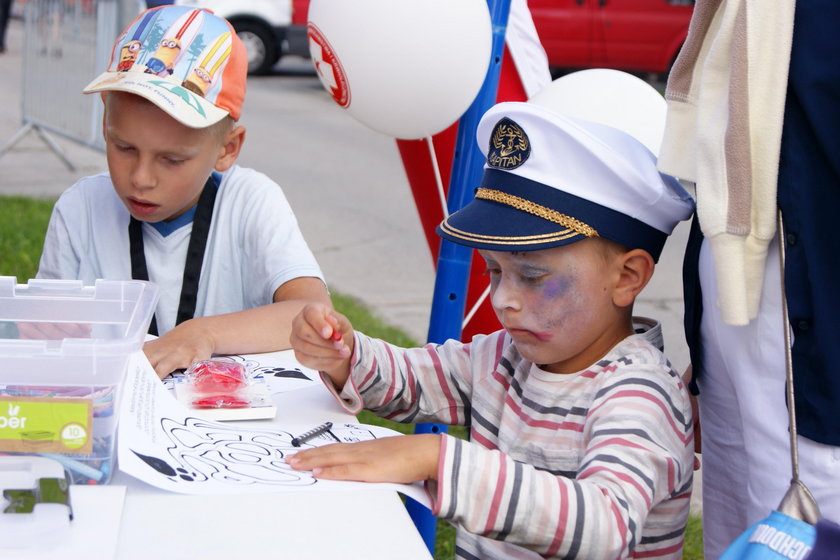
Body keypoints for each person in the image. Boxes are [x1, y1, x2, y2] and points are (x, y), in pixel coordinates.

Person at [288, 101, 696, 559]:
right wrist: (345, 354)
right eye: (495, 271)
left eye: (533, 276)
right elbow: (414, 379)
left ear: (627, 277)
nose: (503, 299)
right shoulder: (505, 358)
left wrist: (436, 459)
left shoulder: (639, 394)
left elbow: (606, 524)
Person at [35, 5, 330, 378]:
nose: (141, 178)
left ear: (227, 149)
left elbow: (312, 313)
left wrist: (202, 333)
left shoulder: (251, 201)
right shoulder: (80, 208)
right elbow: (43, 325)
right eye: (123, 147)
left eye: (172, 159)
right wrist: (46, 327)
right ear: (105, 118)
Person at [657, 1, 840, 557]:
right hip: (740, 310)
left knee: (799, 531)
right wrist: (711, 346)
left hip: (812, 340)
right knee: (740, 534)